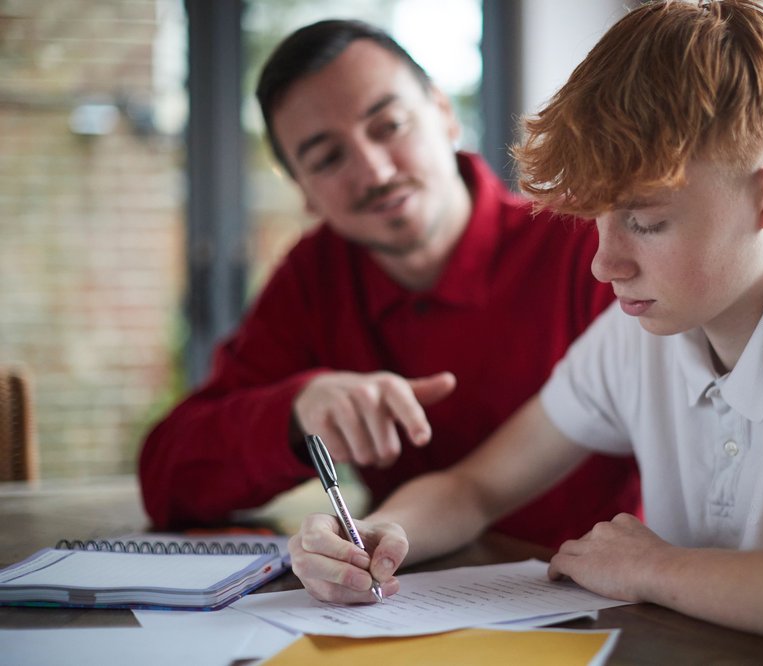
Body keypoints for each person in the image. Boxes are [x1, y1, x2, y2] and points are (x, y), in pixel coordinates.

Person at [287, 1, 763, 663]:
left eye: (647, 221)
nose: (604, 261)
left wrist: (654, 568)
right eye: (596, 218)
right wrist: (379, 535)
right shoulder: (640, 337)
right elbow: (475, 489)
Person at [137, 19, 641, 550]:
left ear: (444, 115)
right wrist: (296, 413)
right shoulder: (314, 280)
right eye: (329, 158)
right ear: (305, 193)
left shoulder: (587, 247)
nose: (375, 171)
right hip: (398, 592)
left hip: (598, 602)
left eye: (389, 126)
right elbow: (168, 477)